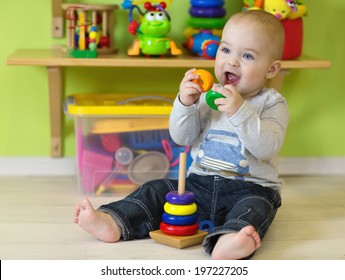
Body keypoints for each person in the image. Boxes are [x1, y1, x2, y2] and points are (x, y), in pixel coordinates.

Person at [74, 9, 289, 260]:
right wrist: (185, 104)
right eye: (226, 50)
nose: (231, 62)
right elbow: (181, 138)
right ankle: (114, 221)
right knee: (156, 189)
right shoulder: (208, 96)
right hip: (199, 184)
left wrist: (240, 111)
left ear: (271, 69)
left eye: (248, 55)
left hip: (251, 188)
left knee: (255, 209)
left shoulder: (272, 103)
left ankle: (230, 240)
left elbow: (266, 147)